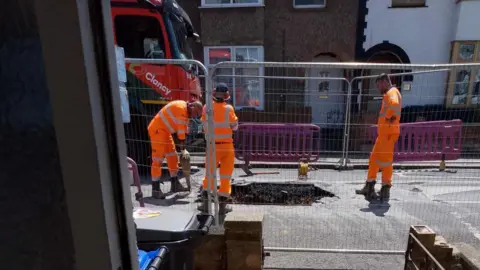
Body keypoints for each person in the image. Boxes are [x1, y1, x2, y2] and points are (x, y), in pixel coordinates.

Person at [356, 74, 402, 202]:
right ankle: (369, 186)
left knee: (386, 162)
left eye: (378, 85)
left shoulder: (391, 93)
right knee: (374, 158)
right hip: (384, 134)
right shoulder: (391, 92)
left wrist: (387, 117)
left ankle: (385, 188)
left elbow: (394, 104)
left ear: (383, 82)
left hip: (387, 134)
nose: (378, 88)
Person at [148, 100, 203, 199]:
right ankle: (155, 189)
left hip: (165, 131)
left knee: (172, 156)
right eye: (196, 114)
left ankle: (175, 184)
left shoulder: (187, 111)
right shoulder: (181, 110)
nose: (195, 117)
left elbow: (185, 130)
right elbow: (181, 134)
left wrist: (184, 147)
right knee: (158, 159)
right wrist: (183, 149)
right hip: (157, 130)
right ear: (192, 108)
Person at [198, 83, 239, 214]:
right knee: (226, 176)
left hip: (212, 147)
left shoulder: (206, 107)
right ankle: (222, 207)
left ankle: (205, 205)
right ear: (227, 96)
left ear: (214, 94)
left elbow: (203, 125)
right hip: (227, 147)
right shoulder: (229, 109)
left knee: (209, 175)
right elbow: (235, 127)